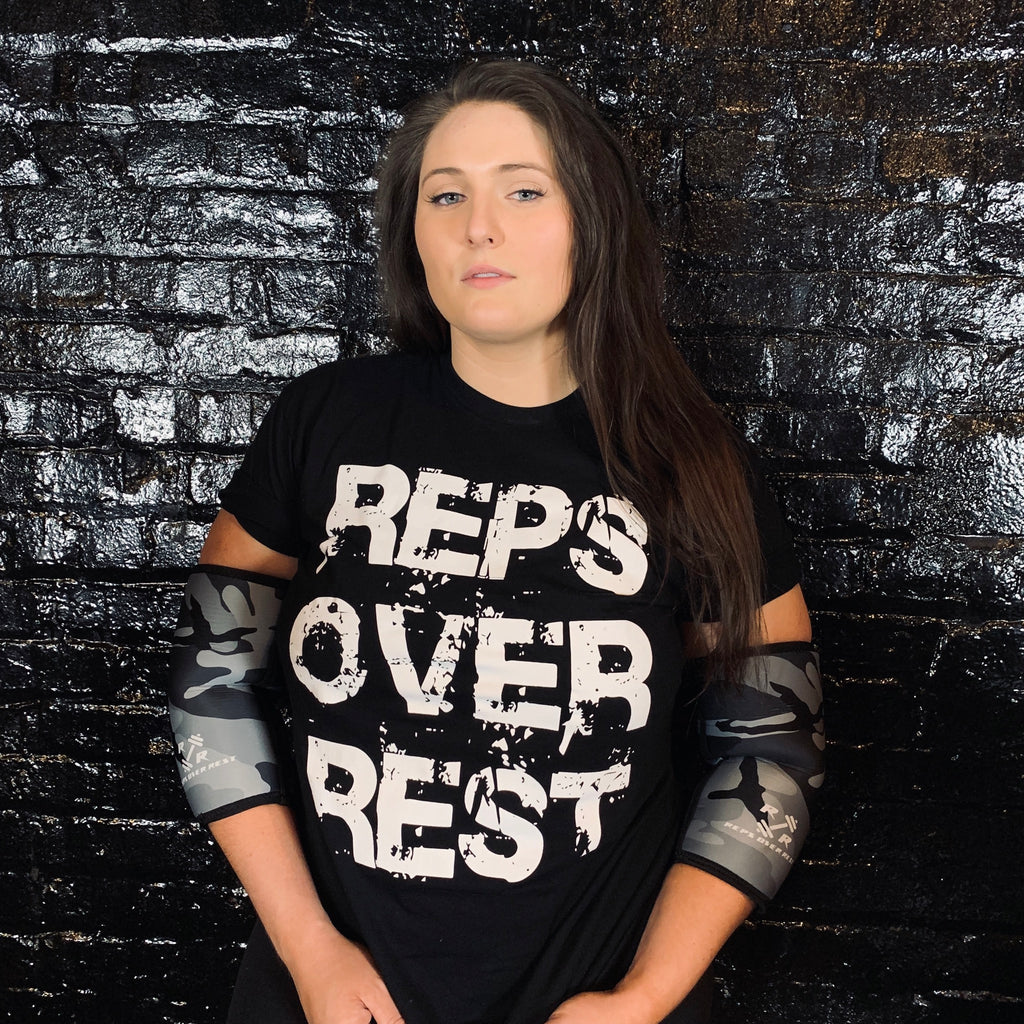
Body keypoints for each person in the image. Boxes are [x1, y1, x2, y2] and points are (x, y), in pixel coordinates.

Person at [167, 59, 824, 1024]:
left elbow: (770, 744)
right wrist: (311, 953)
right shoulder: (328, 419)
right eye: (446, 195)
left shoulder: (690, 460)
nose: (480, 226)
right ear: (415, 235)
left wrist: (644, 999)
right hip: (335, 996)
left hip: (591, 1000)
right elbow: (213, 686)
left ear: (591, 219)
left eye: (523, 190)